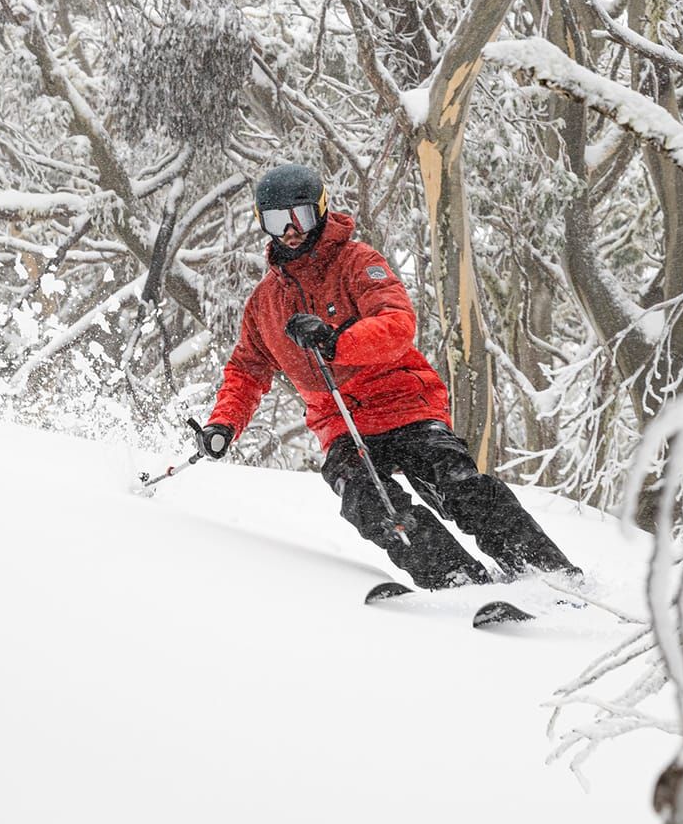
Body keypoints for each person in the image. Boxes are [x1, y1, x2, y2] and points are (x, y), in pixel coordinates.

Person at [192, 163, 579, 591]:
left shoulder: (358, 262)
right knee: (366, 499)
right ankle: (455, 579)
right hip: (342, 423)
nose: (289, 232)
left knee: (456, 483)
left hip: (404, 404)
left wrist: (336, 341)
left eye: (298, 217)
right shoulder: (264, 303)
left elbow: (396, 323)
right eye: (275, 221)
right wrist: (224, 424)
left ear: (319, 211)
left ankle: (547, 571)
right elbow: (246, 370)